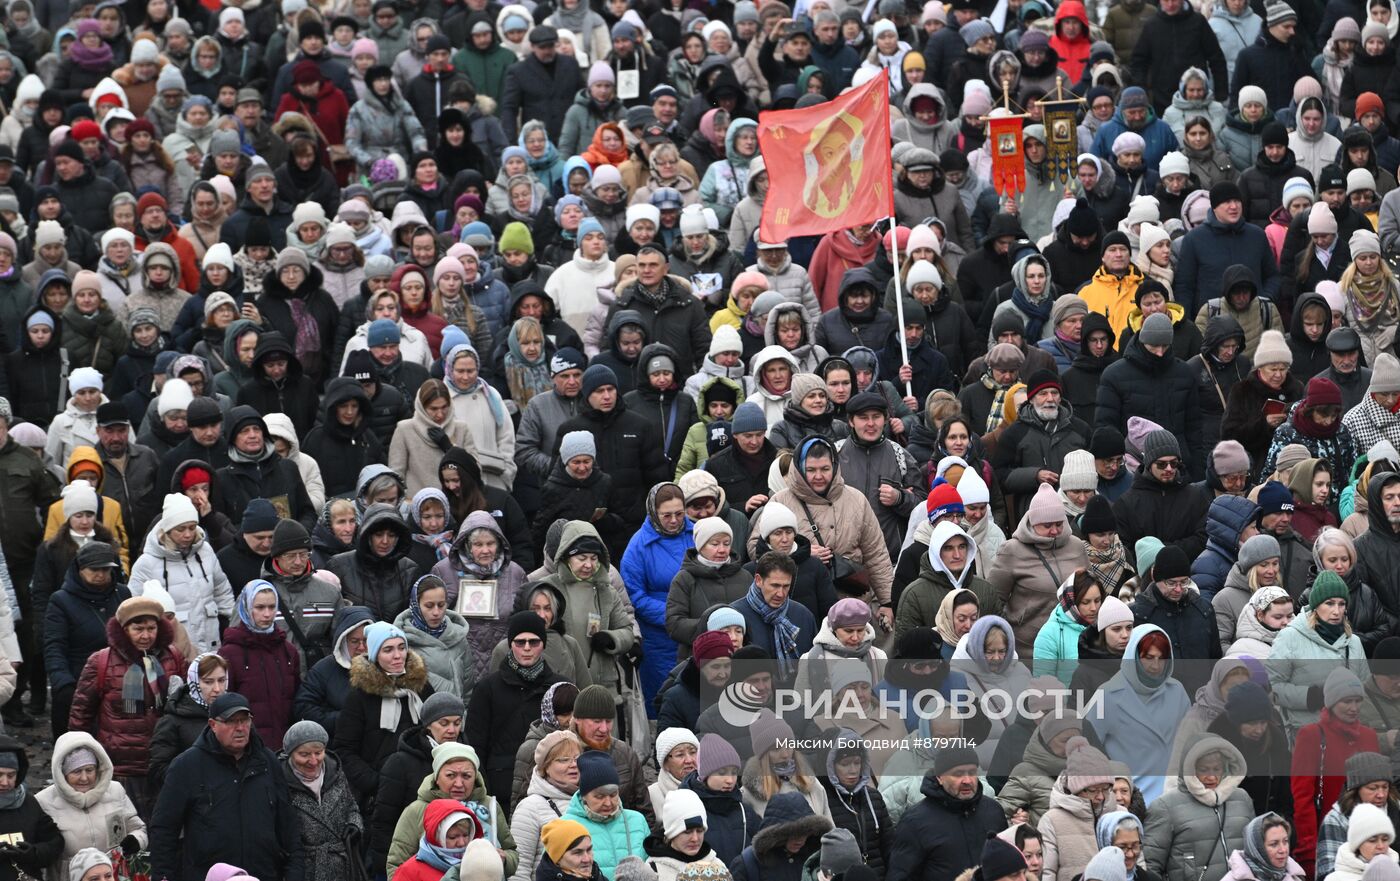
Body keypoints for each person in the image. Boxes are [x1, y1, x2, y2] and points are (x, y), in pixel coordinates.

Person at [149, 692, 305, 881]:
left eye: (245, 720)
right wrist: (163, 877)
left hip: (263, 874)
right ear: (213, 725)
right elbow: (164, 828)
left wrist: (295, 873)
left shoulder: (268, 762)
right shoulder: (186, 766)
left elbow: (288, 824)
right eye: (231, 722)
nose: (240, 728)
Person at [67, 595, 185, 818]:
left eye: (151, 628)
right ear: (124, 629)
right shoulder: (101, 661)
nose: (146, 635)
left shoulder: (173, 657)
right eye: (138, 628)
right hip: (121, 768)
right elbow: (80, 714)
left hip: (164, 763)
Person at [332, 621, 435, 809]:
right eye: (388, 650)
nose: (397, 656)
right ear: (375, 655)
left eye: (401, 648)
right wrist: (377, 784)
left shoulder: (422, 688)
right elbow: (345, 751)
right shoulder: (359, 697)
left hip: (423, 790)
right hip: (379, 795)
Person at [885, 746, 1007, 881]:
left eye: (972, 772)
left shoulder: (993, 811)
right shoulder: (914, 822)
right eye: (958, 774)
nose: (967, 780)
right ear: (939, 777)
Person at [35, 732, 145, 881]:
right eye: (76, 771)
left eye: (89, 770)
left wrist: (136, 840)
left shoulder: (115, 791)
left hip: (112, 875)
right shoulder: (44, 801)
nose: (84, 778)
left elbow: (138, 828)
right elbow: (40, 850)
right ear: (62, 773)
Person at [219, 580, 300, 750]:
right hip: (247, 747)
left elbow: (297, 699)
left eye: (272, 607)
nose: (267, 614)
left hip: (286, 745)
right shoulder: (229, 654)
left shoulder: (288, 651)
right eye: (260, 607)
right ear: (247, 608)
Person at [279, 720, 365, 881]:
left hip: (343, 867)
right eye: (304, 755)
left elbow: (352, 807)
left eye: (318, 753)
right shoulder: (279, 782)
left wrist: (354, 825)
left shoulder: (336, 773)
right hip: (304, 870)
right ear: (290, 753)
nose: (313, 761)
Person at [148, 652, 229, 785]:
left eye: (221, 680)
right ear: (194, 681)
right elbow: (158, 770)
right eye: (208, 682)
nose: (217, 689)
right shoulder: (173, 720)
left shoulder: (235, 713)